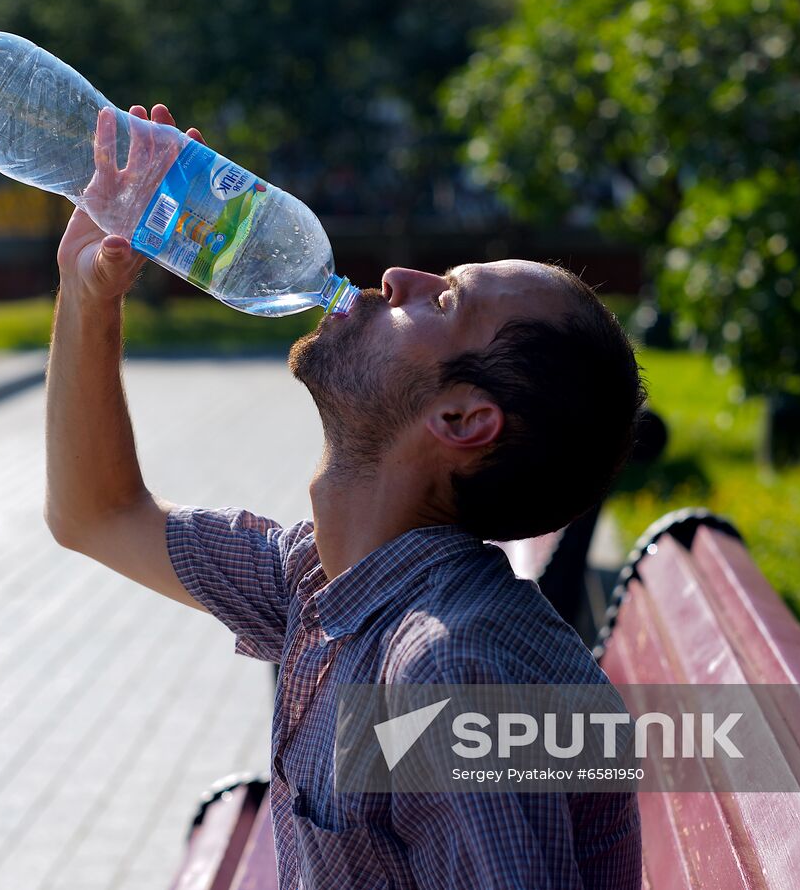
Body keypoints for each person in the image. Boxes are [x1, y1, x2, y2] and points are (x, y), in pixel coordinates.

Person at [45, 103, 645, 889]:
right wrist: (88, 292)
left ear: (461, 419)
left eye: (445, 301)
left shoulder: (452, 674)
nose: (400, 276)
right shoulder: (325, 579)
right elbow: (98, 515)